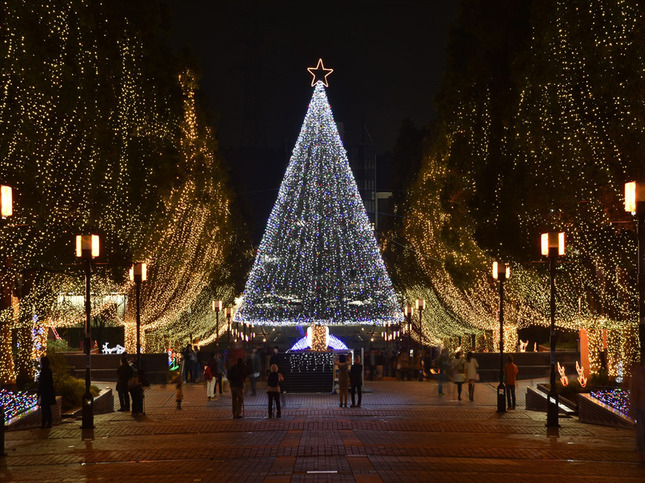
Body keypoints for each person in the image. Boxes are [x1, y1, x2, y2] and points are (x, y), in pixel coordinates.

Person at [630, 363, 645, 462]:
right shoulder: (637, 376)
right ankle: (641, 451)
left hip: (640, 407)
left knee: (641, 432)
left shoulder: (637, 375)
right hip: (641, 408)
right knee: (641, 432)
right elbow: (634, 392)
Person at [37, 356, 56, 428]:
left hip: (45, 392)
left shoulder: (44, 372)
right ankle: (47, 422)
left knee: (45, 408)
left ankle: (45, 423)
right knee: (47, 408)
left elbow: (43, 383)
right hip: (48, 392)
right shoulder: (48, 371)